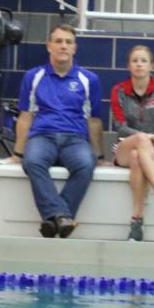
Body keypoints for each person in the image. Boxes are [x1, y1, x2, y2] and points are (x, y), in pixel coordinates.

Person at [13, 24, 102, 238]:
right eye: (59, 41)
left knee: (86, 164)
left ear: (75, 48)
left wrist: (99, 155)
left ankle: (54, 219)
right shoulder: (34, 76)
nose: (63, 46)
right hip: (43, 136)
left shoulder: (89, 80)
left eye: (68, 42)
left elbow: (95, 120)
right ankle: (63, 217)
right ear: (49, 46)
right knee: (32, 161)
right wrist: (17, 153)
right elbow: (25, 117)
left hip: (75, 139)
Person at [109, 45, 154, 242]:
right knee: (139, 143)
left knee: (137, 157)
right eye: (135, 61)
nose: (139, 64)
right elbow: (120, 127)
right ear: (128, 66)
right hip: (127, 143)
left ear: (152, 66)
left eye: (143, 61)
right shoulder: (119, 91)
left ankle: (136, 221)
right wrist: (148, 137)